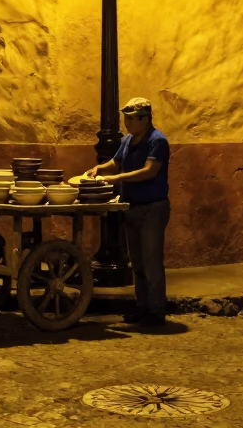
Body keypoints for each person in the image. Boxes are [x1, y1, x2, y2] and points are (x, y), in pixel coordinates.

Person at [85, 97, 171, 326]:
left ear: (145, 119)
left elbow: (149, 171)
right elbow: (115, 162)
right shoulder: (127, 140)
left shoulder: (158, 141)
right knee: (139, 263)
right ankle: (142, 307)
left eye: (131, 119)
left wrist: (116, 178)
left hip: (152, 208)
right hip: (131, 207)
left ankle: (156, 310)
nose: (127, 124)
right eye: (126, 119)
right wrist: (99, 168)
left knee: (151, 262)